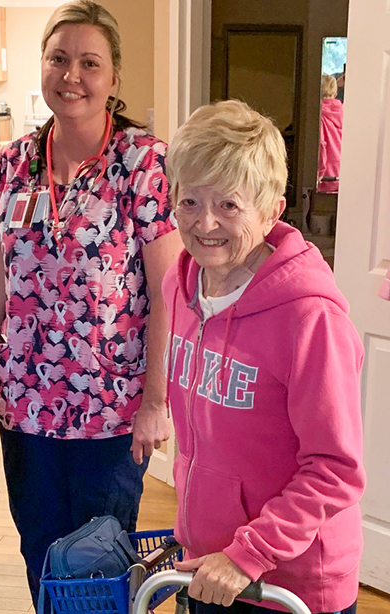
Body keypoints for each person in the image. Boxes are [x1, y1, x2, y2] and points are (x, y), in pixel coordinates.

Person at [0, 0, 182, 602]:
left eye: (90, 62)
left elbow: (167, 292)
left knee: (100, 565)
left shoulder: (144, 162)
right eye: (58, 59)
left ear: (113, 79)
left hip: (111, 411)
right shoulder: (11, 166)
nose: (72, 76)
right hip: (24, 405)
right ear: (42, 65)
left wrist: (156, 400)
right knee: (41, 553)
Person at [163, 99, 365, 614]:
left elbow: (334, 468)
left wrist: (247, 555)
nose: (205, 222)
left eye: (229, 205)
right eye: (190, 201)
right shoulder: (179, 284)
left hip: (288, 584)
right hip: (210, 566)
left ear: (271, 209)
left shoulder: (309, 319)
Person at [317, 74, 343, 194]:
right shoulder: (346, 113)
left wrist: (318, 176)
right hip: (342, 179)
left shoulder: (319, 116)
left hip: (325, 181)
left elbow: (321, 146)